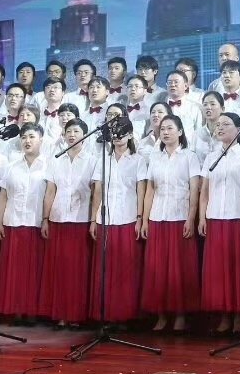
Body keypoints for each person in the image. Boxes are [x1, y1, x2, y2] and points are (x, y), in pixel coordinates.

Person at [140, 114, 201, 332]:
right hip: (158, 217)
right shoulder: (155, 157)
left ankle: (180, 314)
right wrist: (145, 219)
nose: (165, 132)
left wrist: (191, 218)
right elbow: (150, 190)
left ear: (180, 132)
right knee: (158, 268)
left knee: (179, 268)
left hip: (180, 216)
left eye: (170, 128)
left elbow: (194, 190)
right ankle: (161, 314)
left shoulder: (189, 157)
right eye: (163, 129)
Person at [199, 112, 240, 335]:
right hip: (215, 218)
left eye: (226, 124)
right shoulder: (211, 157)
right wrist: (202, 217)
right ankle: (224, 315)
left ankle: (239, 316)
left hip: (238, 218)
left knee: (237, 269)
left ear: (239, 129)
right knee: (219, 270)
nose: (220, 127)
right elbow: (204, 191)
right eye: (218, 125)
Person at [89, 118, 148, 325]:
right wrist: (93, 219)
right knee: (105, 268)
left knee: (125, 269)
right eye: (114, 132)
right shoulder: (103, 160)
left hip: (128, 218)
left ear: (130, 135)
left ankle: (125, 315)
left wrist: (140, 218)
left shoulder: (138, 160)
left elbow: (141, 191)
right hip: (105, 219)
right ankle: (105, 315)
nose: (117, 136)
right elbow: (97, 191)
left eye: (122, 132)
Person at [40, 119, 96, 329]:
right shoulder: (56, 159)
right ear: (63, 135)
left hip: (81, 219)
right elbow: (50, 191)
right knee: (60, 269)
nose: (72, 135)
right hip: (58, 218)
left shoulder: (92, 160)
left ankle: (76, 315)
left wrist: (94, 219)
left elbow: (96, 193)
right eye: (68, 131)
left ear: (85, 135)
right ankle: (60, 314)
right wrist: (45, 218)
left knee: (78, 269)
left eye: (76, 131)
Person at [0, 126, 47, 324]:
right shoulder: (12, 166)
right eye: (24, 137)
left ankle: (31, 311)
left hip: (36, 223)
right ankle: (16, 310)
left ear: (41, 140)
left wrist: (46, 219)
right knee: (14, 270)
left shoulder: (48, 165)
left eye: (32, 137)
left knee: (33, 270)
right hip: (13, 222)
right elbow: (3, 197)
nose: (27, 141)